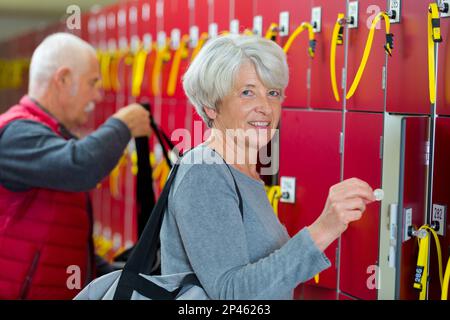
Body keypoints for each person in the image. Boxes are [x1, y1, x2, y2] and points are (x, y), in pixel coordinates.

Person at [160, 34, 376, 299]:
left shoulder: (244, 173)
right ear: (211, 106)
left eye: (272, 93)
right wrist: (324, 228)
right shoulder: (205, 173)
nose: (265, 107)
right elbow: (230, 294)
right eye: (247, 92)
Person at [0, 33, 151, 299]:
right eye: (92, 82)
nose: (98, 94)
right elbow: (81, 166)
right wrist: (123, 124)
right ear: (63, 79)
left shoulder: (51, 136)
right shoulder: (16, 133)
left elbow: (60, 241)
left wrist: (114, 273)